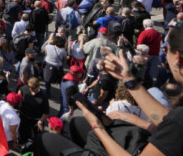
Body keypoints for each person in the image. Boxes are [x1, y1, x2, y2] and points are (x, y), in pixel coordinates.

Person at [36, 25, 183, 156]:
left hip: (136, 148)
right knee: (77, 123)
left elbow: (175, 126)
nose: (163, 51)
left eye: (166, 48)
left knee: (47, 139)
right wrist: (128, 79)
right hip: (140, 139)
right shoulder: (177, 118)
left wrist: (97, 126)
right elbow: (168, 120)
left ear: (178, 59)